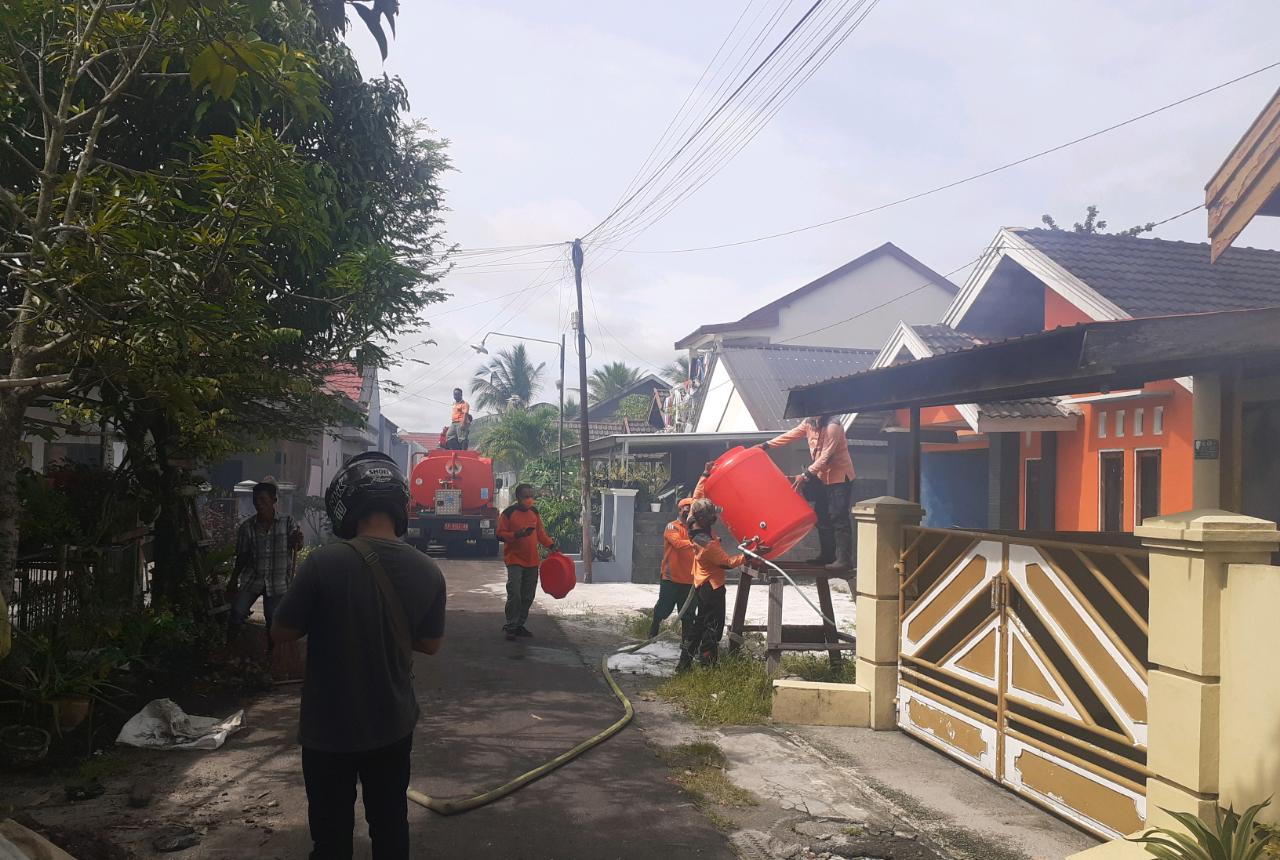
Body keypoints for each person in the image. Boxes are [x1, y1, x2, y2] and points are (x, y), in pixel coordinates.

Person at [271, 452, 446, 860]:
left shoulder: (322, 563)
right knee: (390, 826)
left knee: (330, 837)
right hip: (392, 723)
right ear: (399, 505)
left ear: (345, 504)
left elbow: (282, 630)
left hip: (328, 728)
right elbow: (431, 644)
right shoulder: (428, 570)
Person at [760, 414, 857, 572]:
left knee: (838, 518)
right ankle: (827, 555)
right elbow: (791, 435)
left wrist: (806, 475)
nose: (812, 413)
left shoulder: (833, 425)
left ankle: (844, 560)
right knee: (821, 516)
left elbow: (826, 456)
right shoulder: (808, 423)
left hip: (839, 478)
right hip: (821, 477)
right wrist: (766, 445)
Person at [679, 498, 759, 671]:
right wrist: (750, 554)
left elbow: (697, 498)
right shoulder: (707, 544)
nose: (715, 518)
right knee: (713, 627)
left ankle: (684, 663)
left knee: (699, 624)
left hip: (702, 583)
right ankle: (708, 665)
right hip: (712, 587)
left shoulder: (693, 523)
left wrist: (705, 474)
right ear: (704, 519)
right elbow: (727, 563)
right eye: (712, 516)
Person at [228, 480, 303, 651]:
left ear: (274, 500)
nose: (258, 504)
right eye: (256, 500)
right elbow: (242, 557)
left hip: (277, 582)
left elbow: (296, 545)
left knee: (272, 620)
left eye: (263, 499)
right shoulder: (247, 527)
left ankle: (272, 657)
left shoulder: (287, 521)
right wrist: (233, 580)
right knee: (237, 613)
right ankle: (229, 649)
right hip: (252, 579)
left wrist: (297, 540)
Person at [496, 483, 555, 641]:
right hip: (514, 559)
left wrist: (551, 545)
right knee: (515, 593)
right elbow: (500, 534)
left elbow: (541, 534)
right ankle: (511, 625)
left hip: (532, 561)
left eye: (531, 496)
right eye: (526, 496)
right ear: (518, 498)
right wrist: (517, 535)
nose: (529, 499)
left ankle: (519, 624)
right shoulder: (508, 513)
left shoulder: (534, 513)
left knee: (528, 595)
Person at [648, 497, 696, 639]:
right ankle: (654, 629)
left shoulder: (696, 530)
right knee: (664, 609)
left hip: (690, 580)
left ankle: (686, 643)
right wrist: (697, 542)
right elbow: (677, 543)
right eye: (685, 511)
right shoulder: (672, 527)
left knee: (688, 614)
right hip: (671, 578)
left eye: (691, 511)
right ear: (680, 510)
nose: (688, 514)